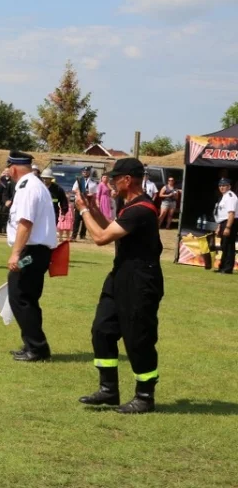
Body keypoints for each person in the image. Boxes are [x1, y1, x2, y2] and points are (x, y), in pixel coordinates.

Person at [74, 158, 164, 413]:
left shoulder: (141, 208)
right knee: (102, 329)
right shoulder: (129, 206)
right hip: (121, 275)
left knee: (138, 338)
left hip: (140, 280)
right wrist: (93, 209)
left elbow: (101, 238)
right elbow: (110, 228)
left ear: (127, 180)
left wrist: (82, 210)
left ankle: (145, 397)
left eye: (115, 178)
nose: (112, 182)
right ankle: (108, 390)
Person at [5, 150, 58, 362]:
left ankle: (37, 347)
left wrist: (16, 254)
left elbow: (25, 222)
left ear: (13, 168)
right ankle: (32, 344)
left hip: (31, 251)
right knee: (27, 297)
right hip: (37, 252)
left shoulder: (27, 188)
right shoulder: (36, 185)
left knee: (20, 296)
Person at [213, 178, 238, 274]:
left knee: (228, 246)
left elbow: (231, 213)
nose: (222, 187)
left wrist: (228, 227)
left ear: (229, 186)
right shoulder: (224, 196)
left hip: (230, 222)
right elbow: (222, 213)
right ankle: (222, 266)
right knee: (224, 246)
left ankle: (227, 268)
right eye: (220, 185)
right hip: (224, 222)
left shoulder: (230, 196)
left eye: (224, 185)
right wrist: (219, 226)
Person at [71, 167, 98, 240]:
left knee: (85, 219)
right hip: (79, 201)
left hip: (88, 202)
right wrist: (78, 192)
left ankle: (83, 234)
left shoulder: (93, 181)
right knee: (77, 219)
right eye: (83, 172)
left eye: (86, 172)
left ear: (89, 172)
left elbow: (96, 192)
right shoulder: (79, 180)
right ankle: (74, 235)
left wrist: (91, 194)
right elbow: (73, 189)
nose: (85, 173)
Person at [0, 169, 14, 234]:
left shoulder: (13, 180)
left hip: (8, 200)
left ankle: (5, 229)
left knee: (5, 214)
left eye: (8, 171)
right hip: (1, 199)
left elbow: (14, 192)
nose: (6, 173)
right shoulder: (2, 179)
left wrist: (10, 200)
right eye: (5, 171)